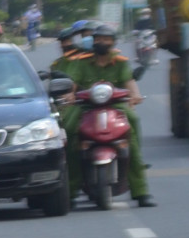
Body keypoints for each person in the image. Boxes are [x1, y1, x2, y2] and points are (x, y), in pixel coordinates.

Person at [53, 22, 153, 207]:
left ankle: (141, 192)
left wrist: (135, 96)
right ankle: (71, 192)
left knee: (132, 123)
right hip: (85, 106)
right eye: (98, 39)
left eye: (106, 39)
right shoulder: (81, 61)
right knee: (70, 130)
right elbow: (73, 85)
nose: (102, 42)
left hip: (115, 106)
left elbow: (129, 82)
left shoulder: (121, 62)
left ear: (113, 42)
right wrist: (68, 96)